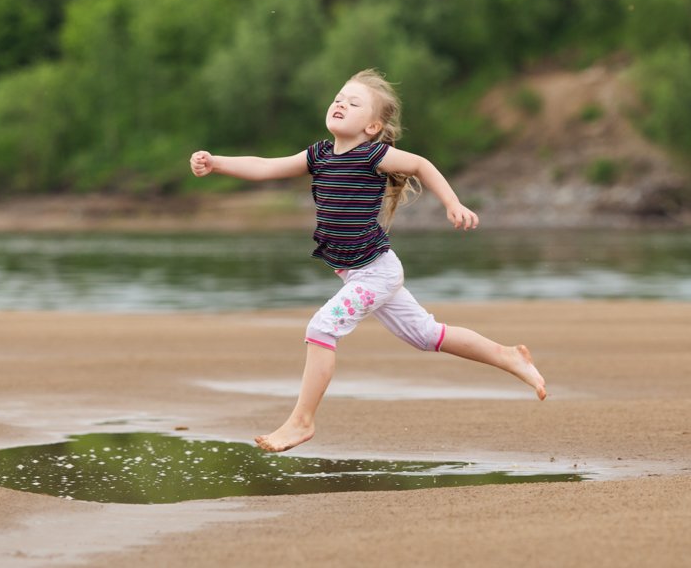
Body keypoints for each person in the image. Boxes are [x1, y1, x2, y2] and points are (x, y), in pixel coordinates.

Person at [189, 69, 547, 453]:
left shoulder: (373, 154)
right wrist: (217, 162)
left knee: (323, 328)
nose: (340, 103)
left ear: (373, 126)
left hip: (376, 273)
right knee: (427, 335)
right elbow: (266, 166)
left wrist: (452, 202)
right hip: (359, 273)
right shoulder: (318, 155)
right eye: (339, 97)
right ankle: (508, 356)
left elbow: (421, 165)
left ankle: (301, 421)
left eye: (353, 102)